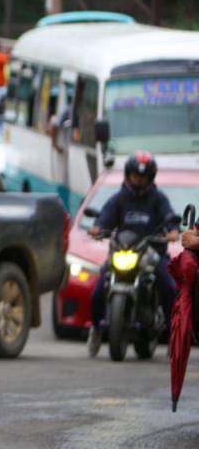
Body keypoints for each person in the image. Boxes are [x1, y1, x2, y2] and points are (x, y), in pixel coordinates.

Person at [87, 151, 179, 357]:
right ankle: (95, 329)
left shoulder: (158, 198)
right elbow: (105, 217)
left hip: (152, 253)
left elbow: (169, 216)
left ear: (150, 177)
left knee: (169, 287)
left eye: (143, 177)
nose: (139, 180)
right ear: (128, 175)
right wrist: (97, 227)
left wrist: (172, 230)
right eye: (135, 176)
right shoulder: (120, 198)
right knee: (97, 290)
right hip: (123, 251)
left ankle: (175, 335)